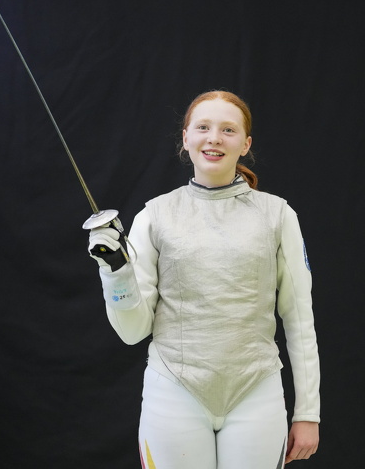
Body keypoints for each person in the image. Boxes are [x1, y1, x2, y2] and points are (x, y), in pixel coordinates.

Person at [85, 90, 320, 468]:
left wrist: (307, 412)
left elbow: (299, 319)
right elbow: (132, 331)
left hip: (256, 389)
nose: (214, 138)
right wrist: (115, 271)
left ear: (245, 144)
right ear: (186, 138)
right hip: (173, 390)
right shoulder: (154, 216)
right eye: (203, 127)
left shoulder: (278, 215)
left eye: (228, 130)